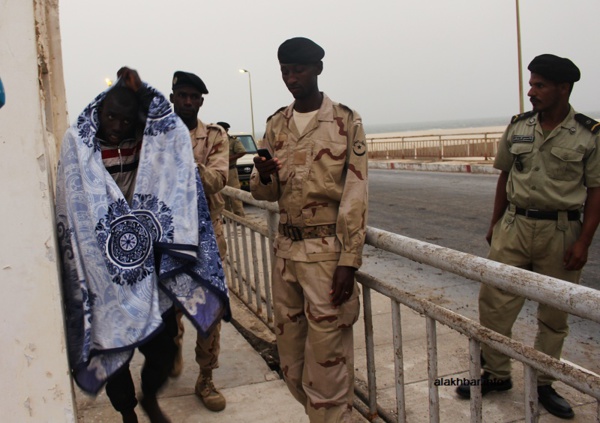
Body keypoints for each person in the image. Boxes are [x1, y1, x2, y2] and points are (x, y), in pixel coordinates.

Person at [56, 68, 229, 423]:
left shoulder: (149, 141)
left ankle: (150, 394)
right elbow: (74, 205)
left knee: (163, 348)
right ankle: (128, 413)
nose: (117, 125)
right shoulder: (80, 144)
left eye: (124, 118)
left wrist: (142, 89)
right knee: (114, 346)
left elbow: (171, 127)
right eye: (110, 117)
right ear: (98, 113)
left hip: (150, 263)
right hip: (103, 268)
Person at [456, 54, 600, 419]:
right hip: (515, 226)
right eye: (531, 83)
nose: (531, 91)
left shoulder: (588, 134)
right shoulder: (519, 127)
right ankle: (496, 374)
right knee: (495, 303)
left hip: (561, 230)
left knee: (555, 312)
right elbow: (505, 176)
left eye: (540, 85)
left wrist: (583, 241)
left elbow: (597, 190)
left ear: (563, 89)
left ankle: (545, 384)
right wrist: (495, 223)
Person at [250, 37, 368, 423]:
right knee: (292, 365)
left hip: (325, 258)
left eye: (298, 70)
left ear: (317, 68)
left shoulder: (345, 121)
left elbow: (355, 193)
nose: (291, 78)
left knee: (328, 364)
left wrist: (349, 261)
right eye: (285, 71)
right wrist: (265, 177)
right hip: (286, 255)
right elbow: (263, 192)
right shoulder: (275, 124)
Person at [169, 71, 229, 412]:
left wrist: (184, 160)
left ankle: (206, 378)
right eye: (183, 95)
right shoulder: (153, 135)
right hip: (168, 237)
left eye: (194, 96)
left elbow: (217, 180)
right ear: (173, 97)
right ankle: (172, 345)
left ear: (201, 100)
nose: (188, 101)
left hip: (206, 238)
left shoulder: (215, 137)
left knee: (208, 310)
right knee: (168, 308)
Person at [218, 121, 247, 217]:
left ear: (226, 130)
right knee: (222, 195)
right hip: (219, 171)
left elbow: (242, 151)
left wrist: (228, 159)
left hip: (230, 170)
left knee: (235, 195)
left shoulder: (233, 140)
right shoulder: (215, 140)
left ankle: (239, 217)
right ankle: (228, 217)